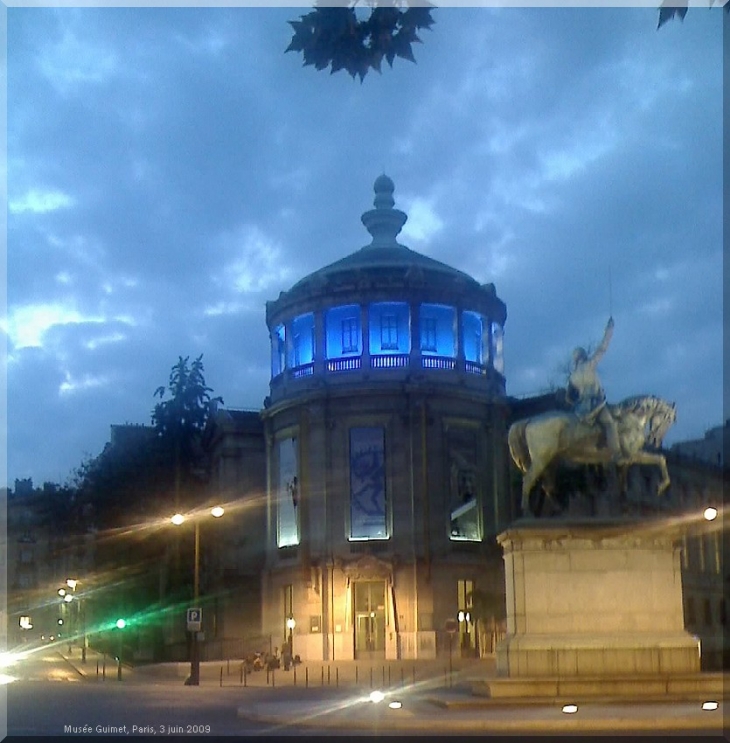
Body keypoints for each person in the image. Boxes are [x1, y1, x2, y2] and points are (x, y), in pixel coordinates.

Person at [567, 316, 622, 463]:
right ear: (583, 356)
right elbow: (602, 348)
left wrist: (575, 402)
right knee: (610, 424)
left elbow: (568, 397)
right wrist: (609, 330)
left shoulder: (573, 377)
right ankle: (617, 453)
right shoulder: (590, 365)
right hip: (596, 405)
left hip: (580, 410)